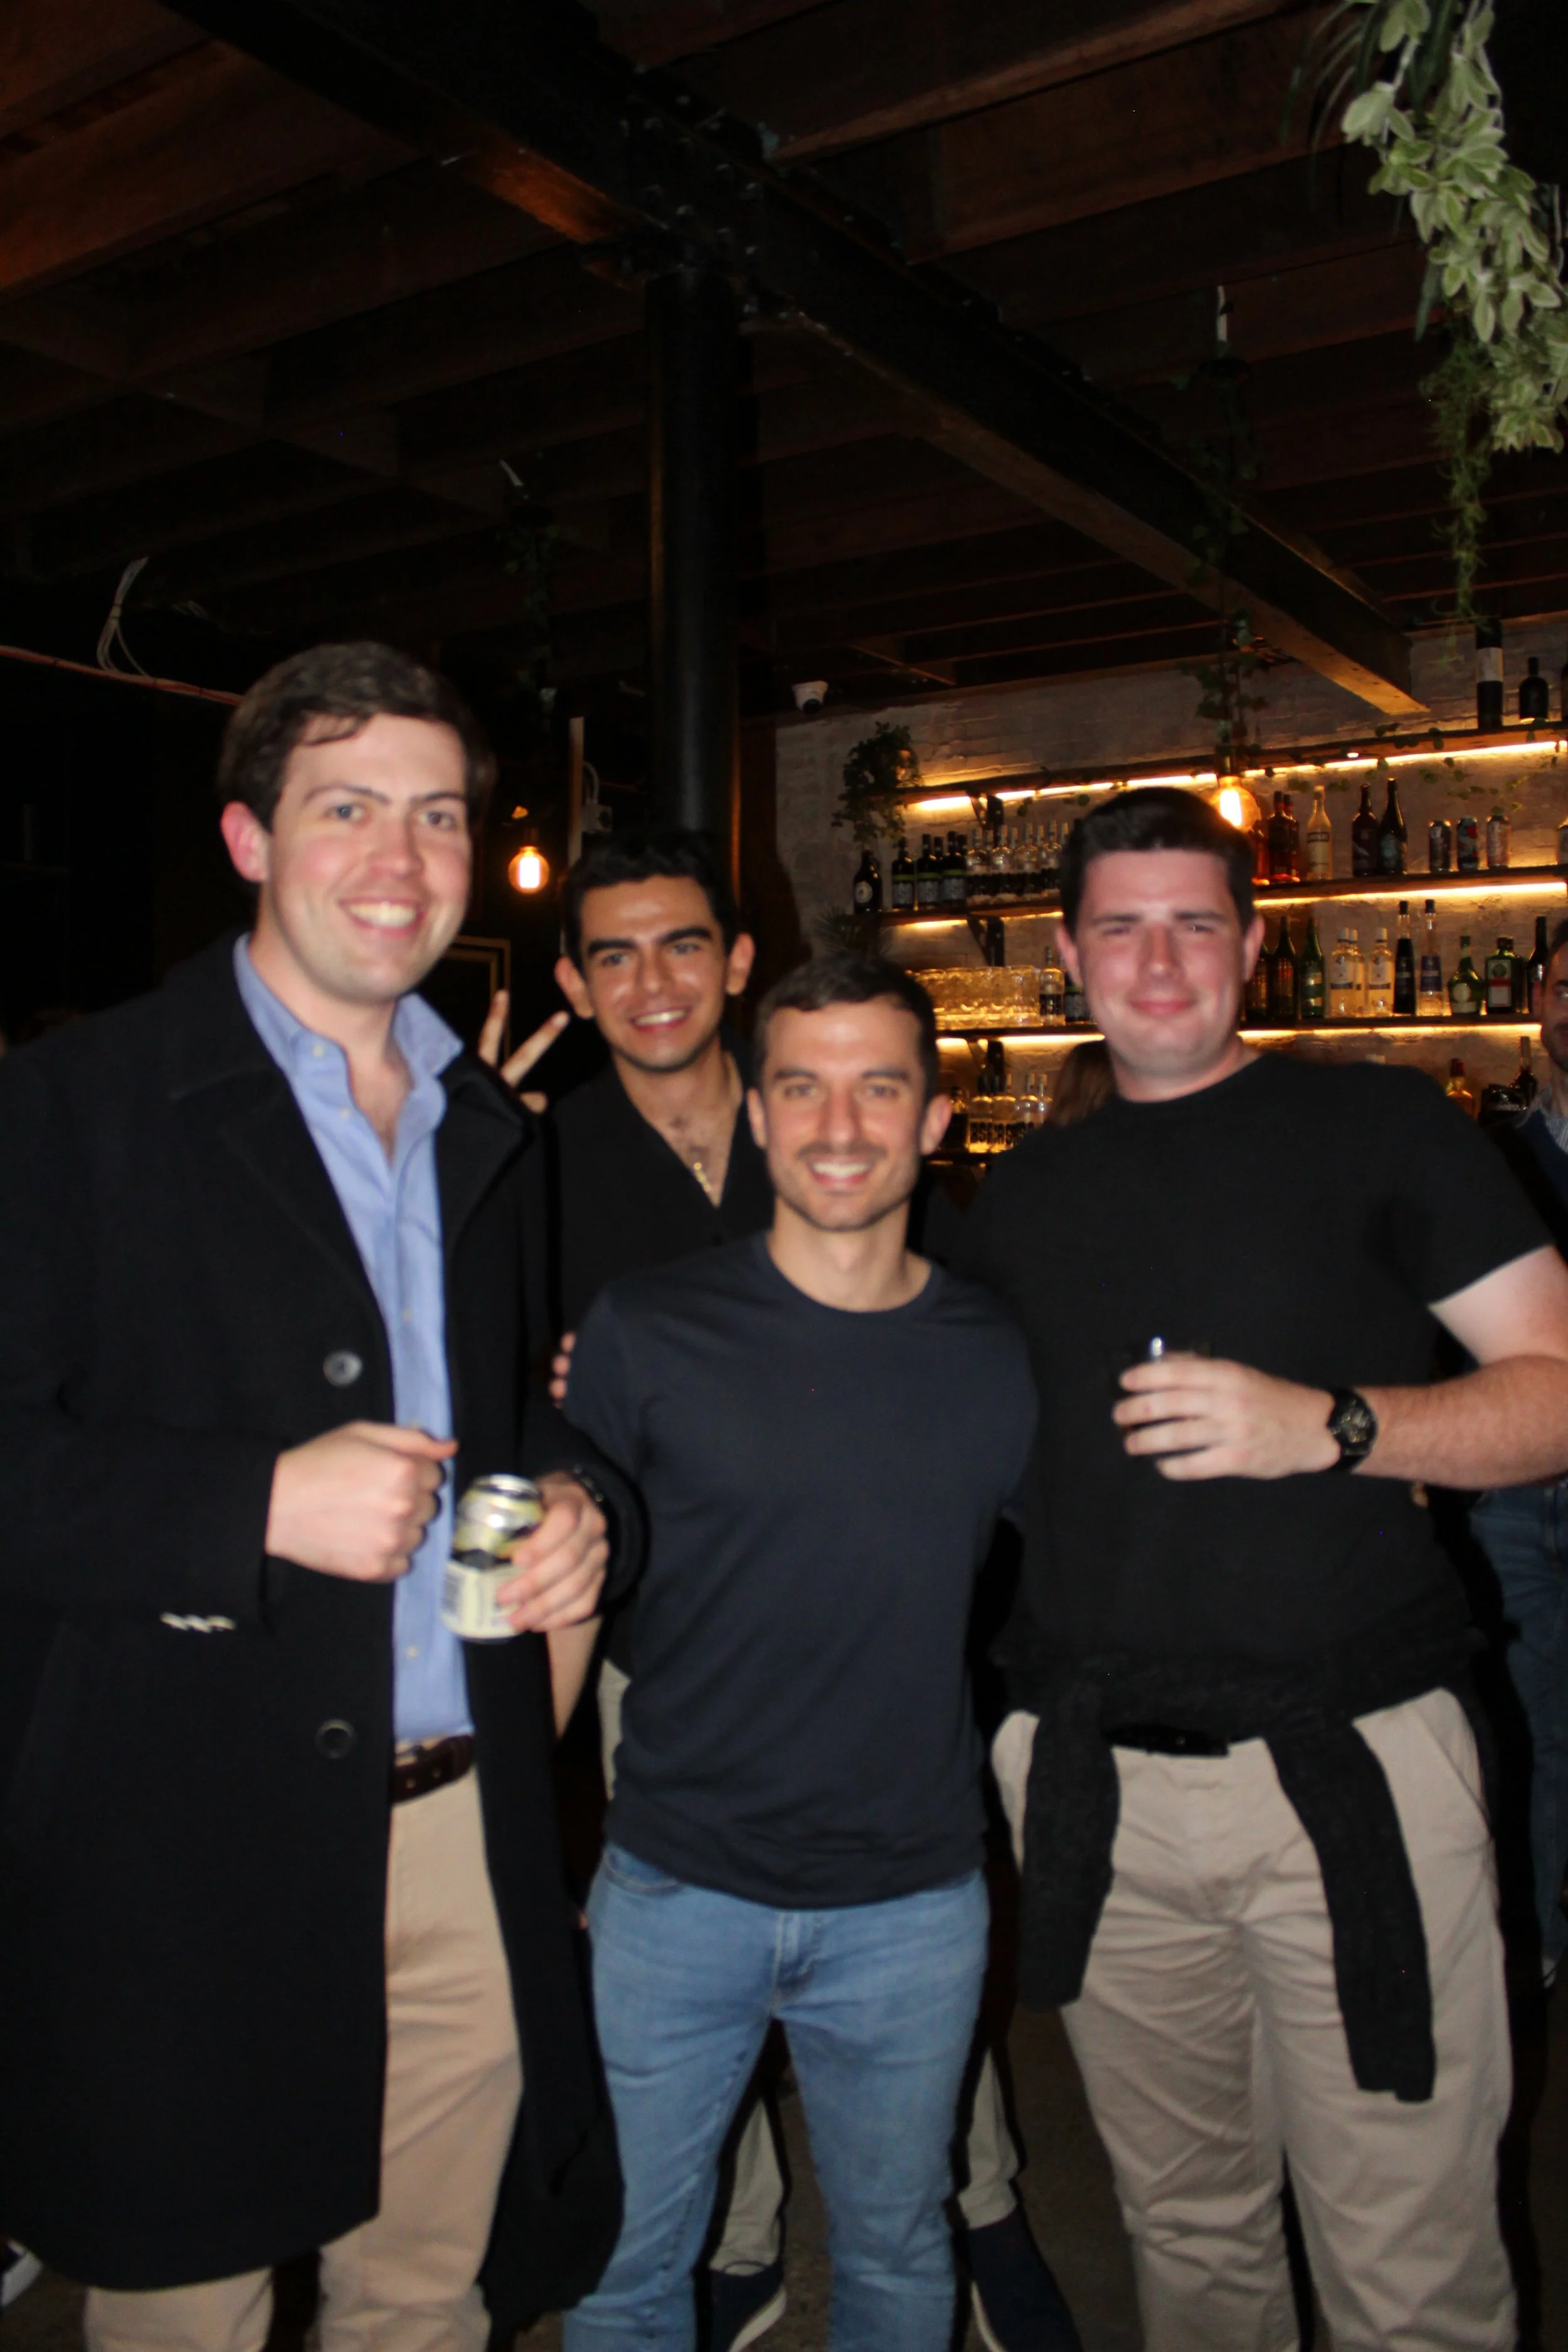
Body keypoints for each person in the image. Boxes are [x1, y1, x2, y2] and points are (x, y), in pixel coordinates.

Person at [0, 643, 634, 2352]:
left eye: (439, 815)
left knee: (421, 2302)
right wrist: (249, 1502)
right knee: (185, 2306)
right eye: (344, 807)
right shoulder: (71, 1106)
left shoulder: (485, 1126)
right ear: (247, 839)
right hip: (179, 1845)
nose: (401, 858)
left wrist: (567, 1499)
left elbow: (495, 1421)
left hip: (456, 1829)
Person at [960, 786, 1568, 2352]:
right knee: (1187, 2242)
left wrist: (1335, 1427)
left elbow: (1554, 1389)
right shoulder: (1012, 1200)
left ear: (1252, 946)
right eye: (1119, 926)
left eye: (1193, 924)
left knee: (1409, 2255)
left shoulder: (1379, 1128)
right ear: (1066, 949)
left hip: (1352, 1766)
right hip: (1099, 1783)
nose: (1157, 963)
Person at [487, 837, 1078, 2352]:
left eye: (878, 1087)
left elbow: (1075, 1560)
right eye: (802, 1089)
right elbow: (545, 1543)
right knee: (628, 2269)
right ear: (761, 1115)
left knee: (892, 2251)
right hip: (675, 1875)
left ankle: (986, 2226)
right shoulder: (604, 1276)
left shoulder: (993, 1351)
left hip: (911, 1896)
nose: (837, 1123)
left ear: (936, 1121)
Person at [1473, 913, 1568, 1987]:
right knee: (1527, 1727)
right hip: (1516, 1488)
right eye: (1561, 986)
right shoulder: (1497, 1152)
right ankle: (1532, 1944)